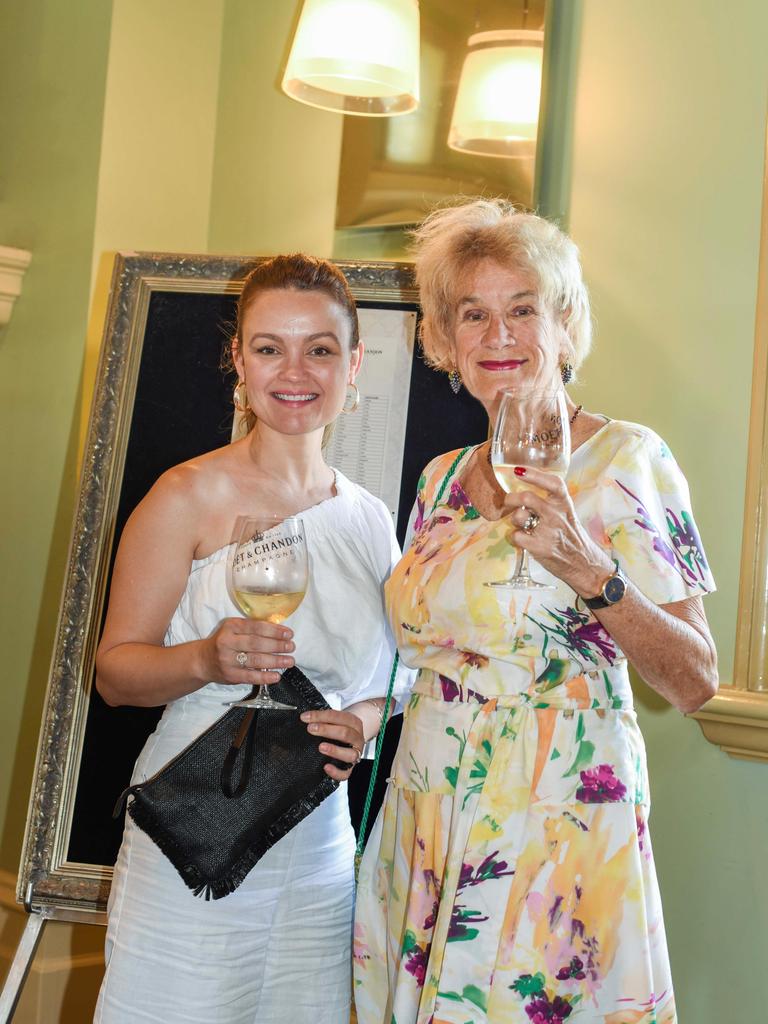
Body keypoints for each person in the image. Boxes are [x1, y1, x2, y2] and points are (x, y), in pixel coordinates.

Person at [353, 199, 718, 1024]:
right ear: (446, 339)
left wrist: (587, 568)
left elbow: (695, 679)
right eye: (471, 315)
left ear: (564, 323)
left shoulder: (627, 459)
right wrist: (368, 715)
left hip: (555, 819)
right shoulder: (441, 479)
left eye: (522, 308)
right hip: (428, 814)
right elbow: (433, 656)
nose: (499, 335)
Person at [93, 254, 406, 1024]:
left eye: (321, 349)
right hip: (197, 820)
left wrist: (363, 722)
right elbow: (115, 674)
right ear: (239, 360)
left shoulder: (369, 518)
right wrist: (206, 658)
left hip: (318, 836)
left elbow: (404, 671)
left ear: (354, 363)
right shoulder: (185, 495)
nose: (294, 371)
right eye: (270, 347)